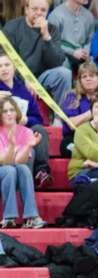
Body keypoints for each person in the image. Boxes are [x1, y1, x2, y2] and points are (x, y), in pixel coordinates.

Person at [3, 0, 72, 109]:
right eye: (35, 9)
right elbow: (5, 57)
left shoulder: (52, 29)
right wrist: (26, 78)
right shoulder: (12, 27)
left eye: (43, 10)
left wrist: (46, 37)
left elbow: (57, 62)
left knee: (64, 73)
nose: (39, 13)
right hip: (17, 76)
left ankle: (59, 118)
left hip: (42, 77)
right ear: (26, 10)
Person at [0, 53, 52, 188]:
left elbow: (38, 119)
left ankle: (42, 171)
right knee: (31, 152)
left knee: (39, 129)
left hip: (22, 132)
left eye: (7, 65)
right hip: (3, 136)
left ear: (14, 68)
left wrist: (25, 119)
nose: (4, 69)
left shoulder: (23, 90)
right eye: (0, 66)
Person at [0, 96, 46, 229]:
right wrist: (11, 145)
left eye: (11, 110)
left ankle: (31, 217)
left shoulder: (26, 131)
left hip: (13, 172)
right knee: (9, 170)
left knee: (23, 168)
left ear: (17, 112)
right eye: (4, 111)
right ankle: (9, 217)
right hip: (3, 171)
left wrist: (28, 146)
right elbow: (5, 162)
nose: (9, 113)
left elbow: (20, 161)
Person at [47, 0, 96, 71]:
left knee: (94, 66)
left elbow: (90, 40)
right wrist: (72, 52)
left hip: (82, 53)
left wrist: (86, 51)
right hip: (62, 53)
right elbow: (52, 43)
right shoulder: (56, 15)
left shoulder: (88, 15)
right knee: (64, 64)